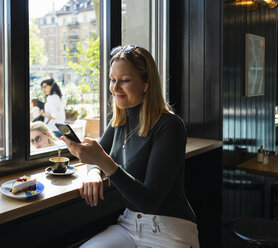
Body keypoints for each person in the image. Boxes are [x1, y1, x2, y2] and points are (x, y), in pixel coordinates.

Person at [61, 45, 199, 248]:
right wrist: (93, 173)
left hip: (169, 230)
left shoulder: (170, 125)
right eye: (112, 80)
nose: (115, 88)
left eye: (124, 80)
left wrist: (103, 162)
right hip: (129, 225)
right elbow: (99, 153)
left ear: (146, 83)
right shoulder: (119, 121)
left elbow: (149, 201)